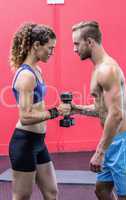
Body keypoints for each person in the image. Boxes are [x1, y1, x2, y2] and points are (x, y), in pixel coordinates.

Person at [58, 21, 126, 200]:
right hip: (111, 142)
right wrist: (77, 109)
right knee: (102, 190)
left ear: (90, 42)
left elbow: (116, 115)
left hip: (122, 143)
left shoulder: (107, 70)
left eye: (77, 43)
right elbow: (102, 109)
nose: (74, 49)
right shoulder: (98, 68)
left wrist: (99, 152)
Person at [9, 22, 60, 200]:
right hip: (24, 143)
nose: (52, 52)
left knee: (51, 192)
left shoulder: (37, 70)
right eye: (50, 48)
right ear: (36, 45)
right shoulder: (26, 75)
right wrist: (55, 112)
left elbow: (38, 107)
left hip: (39, 142)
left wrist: (61, 110)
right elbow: (25, 117)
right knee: (22, 197)